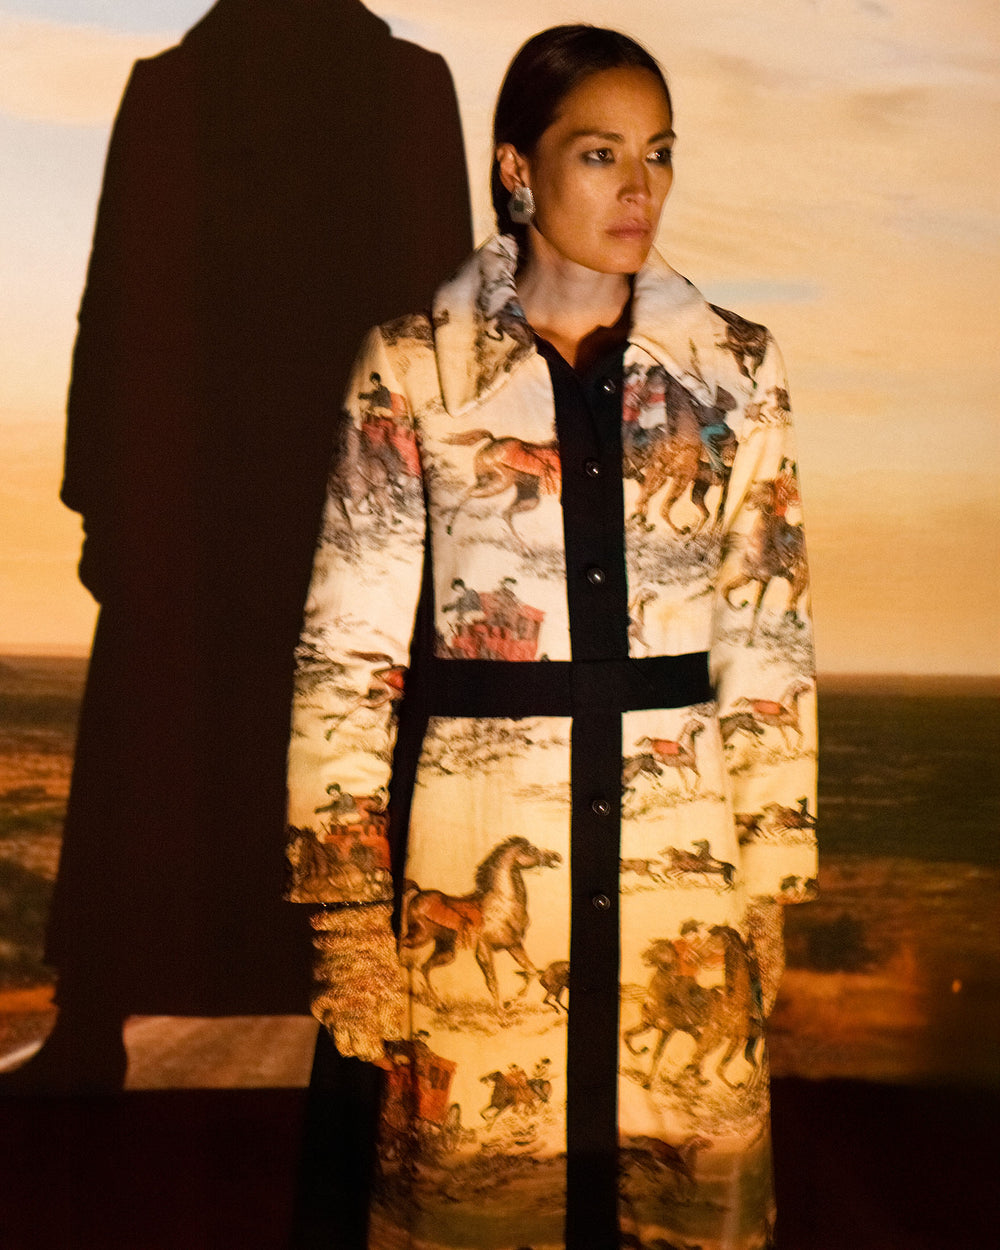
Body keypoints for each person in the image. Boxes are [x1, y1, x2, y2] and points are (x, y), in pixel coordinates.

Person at [286, 24, 817, 1250]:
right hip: (471, 817)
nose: (641, 189)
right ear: (517, 170)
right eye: (600, 153)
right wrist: (348, 907)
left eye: (660, 153)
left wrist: (770, 868)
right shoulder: (414, 368)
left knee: (675, 1156)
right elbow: (347, 652)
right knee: (475, 1180)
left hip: (677, 835)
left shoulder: (736, 371)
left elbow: (767, 627)